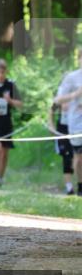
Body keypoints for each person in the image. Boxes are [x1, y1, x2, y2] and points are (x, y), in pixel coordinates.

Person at [54, 50, 82, 195]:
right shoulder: (71, 78)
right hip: (77, 124)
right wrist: (76, 94)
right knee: (78, 157)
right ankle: (80, 185)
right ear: (79, 59)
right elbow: (58, 100)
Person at [50, 96, 75, 195]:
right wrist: (51, 126)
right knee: (67, 157)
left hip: (76, 130)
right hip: (62, 131)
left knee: (77, 157)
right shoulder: (61, 95)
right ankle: (69, 187)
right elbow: (51, 110)